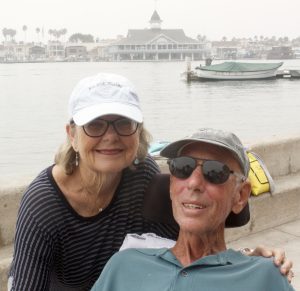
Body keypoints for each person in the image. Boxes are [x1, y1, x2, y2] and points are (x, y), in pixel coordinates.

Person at [8, 73, 292, 291]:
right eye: (94, 125)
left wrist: (246, 263)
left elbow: (189, 253)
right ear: (72, 135)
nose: (110, 136)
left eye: (123, 123)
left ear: (138, 132)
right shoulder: (44, 204)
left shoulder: (143, 179)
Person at [91, 128, 295, 291]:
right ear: (171, 186)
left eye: (214, 171)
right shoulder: (124, 266)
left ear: (240, 195)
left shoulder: (264, 276)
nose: (194, 183)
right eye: (182, 168)